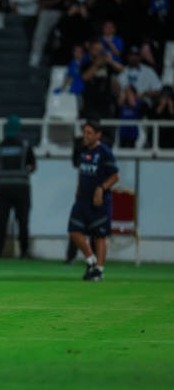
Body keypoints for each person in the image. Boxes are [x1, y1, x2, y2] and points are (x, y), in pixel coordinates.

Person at [68, 120, 119, 282]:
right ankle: (91, 260)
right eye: (85, 132)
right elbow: (82, 172)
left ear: (98, 135)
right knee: (74, 230)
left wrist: (101, 188)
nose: (86, 135)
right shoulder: (82, 150)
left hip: (99, 201)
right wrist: (78, 189)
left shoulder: (104, 152)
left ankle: (99, 270)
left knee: (99, 235)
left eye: (89, 133)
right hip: (82, 199)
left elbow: (115, 175)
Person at [0, 115, 36, 258]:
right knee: (23, 221)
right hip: (21, 189)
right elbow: (33, 166)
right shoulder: (25, 146)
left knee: (2, 220)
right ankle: (24, 251)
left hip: (3, 188)